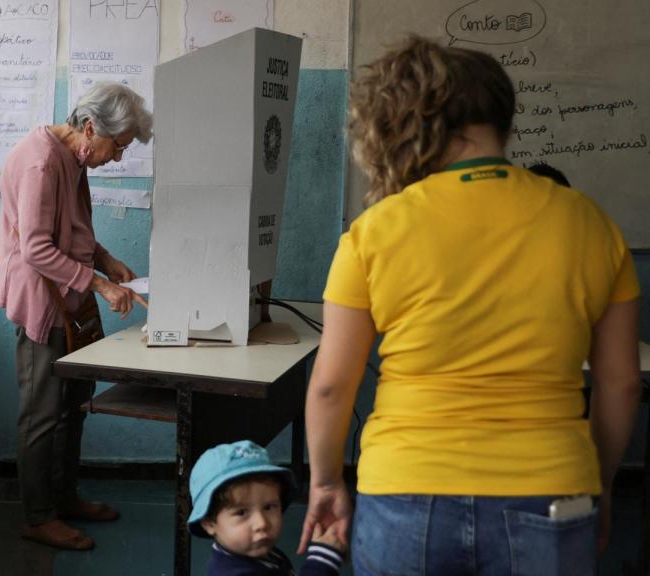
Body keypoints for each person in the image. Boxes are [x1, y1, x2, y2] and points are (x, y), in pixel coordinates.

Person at [298, 36, 641, 575]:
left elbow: (330, 385)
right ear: (503, 120)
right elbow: (620, 384)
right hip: (552, 488)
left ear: (416, 121)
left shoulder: (375, 231)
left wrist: (324, 482)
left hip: (405, 489)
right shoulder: (590, 223)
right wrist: (595, 485)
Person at [0, 82, 153, 550]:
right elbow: (37, 248)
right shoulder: (42, 162)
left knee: (73, 404)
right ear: (90, 128)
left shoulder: (73, 156)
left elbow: (74, 229)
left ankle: (63, 498)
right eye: (117, 147)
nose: (117, 159)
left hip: (70, 297)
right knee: (42, 411)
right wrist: (100, 284)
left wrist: (105, 260)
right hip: (44, 300)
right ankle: (38, 516)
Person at [189, 441, 346, 576]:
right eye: (242, 512)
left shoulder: (258, 553)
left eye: (268, 507)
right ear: (209, 523)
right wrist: (322, 561)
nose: (261, 523)